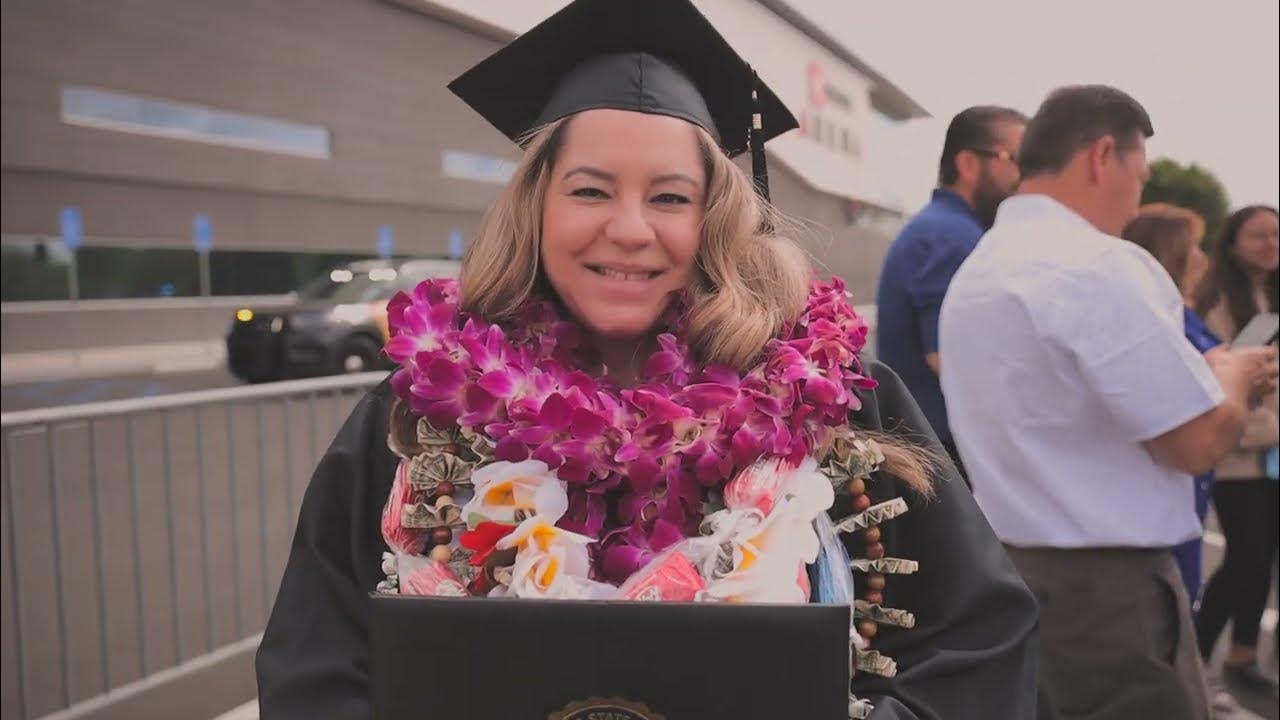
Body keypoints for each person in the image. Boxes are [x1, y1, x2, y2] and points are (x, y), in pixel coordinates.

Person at [255, 1, 1039, 718]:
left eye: (670, 198)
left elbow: (976, 644)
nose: (630, 231)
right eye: (590, 191)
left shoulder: (838, 404)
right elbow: (319, 665)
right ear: (536, 207)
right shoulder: (420, 420)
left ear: (716, 216)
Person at [938, 85, 1280, 720]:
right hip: (1108, 593)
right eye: (1139, 175)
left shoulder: (982, 267)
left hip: (1018, 567)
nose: (1137, 198)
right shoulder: (1097, 264)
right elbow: (1195, 443)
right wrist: (1233, 377)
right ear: (1102, 156)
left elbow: (1065, 403)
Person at [876, 106, 1026, 481]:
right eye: (1016, 160)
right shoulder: (953, 237)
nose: (1024, 177)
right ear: (969, 164)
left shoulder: (944, 228)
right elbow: (948, 356)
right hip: (942, 455)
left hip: (931, 446)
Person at [1192, 205, 1280, 693]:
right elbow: (1223, 381)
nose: (1271, 245)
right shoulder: (1218, 300)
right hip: (1236, 452)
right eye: (1259, 236)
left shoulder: (1271, 294)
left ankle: (1243, 656)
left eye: (1277, 235)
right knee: (1246, 556)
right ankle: (1198, 656)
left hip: (1271, 454)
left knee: (1264, 559)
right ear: (1233, 242)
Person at [1121, 203, 1220, 605]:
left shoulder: (1181, 312)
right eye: (1193, 247)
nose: (1202, 258)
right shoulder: (1157, 318)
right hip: (1169, 477)